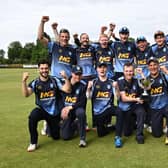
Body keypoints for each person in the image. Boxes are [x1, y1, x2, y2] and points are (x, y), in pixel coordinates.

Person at [22, 60, 71, 152]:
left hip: (54, 112)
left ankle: (53, 125)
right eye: (42, 68)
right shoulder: (35, 82)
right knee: (33, 116)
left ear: (49, 69)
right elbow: (26, 94)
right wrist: (24, 81)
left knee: (56, 137)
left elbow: (67, 90)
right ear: (38, 69)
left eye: (46, 68)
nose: (44, 70)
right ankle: (33, 142)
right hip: (42, 110)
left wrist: (66, 78)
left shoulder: (55, 80)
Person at [114, 62, 145, 148]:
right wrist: (136, 99)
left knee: (141, 111)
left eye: (131, 71)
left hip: (134, 105)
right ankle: (131, 125)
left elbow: (147, 86)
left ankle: (139, 135)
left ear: (133, 72)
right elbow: (124, 98)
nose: (129, 73)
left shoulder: (136, 80)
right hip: (124, 107)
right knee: (127, 133)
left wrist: (142, 74)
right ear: (123, 72)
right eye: (127, 71)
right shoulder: (120, 81)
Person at [86, 62, 116, 137]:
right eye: (100, 67)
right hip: (98, 113)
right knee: (101, 134)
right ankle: (109, 127)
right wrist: (88, 89)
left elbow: (117, 97)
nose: (102, 69)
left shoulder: (111, 82)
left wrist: (117, 88)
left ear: (107, 69)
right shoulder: (93, 82)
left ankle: (122, 127)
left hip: (108, 109)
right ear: (96, 69)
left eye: (104, 67)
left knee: (119, 110)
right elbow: (88, 97)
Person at [60, 65, 87, 147]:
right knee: (65, 136)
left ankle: (82, 139)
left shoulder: (83, 85)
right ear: (72, 73)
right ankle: (75, 124)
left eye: (80, 74)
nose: (78, 76)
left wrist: (70, 107)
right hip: (66, 111)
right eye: (76, 74)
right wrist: (63, 109)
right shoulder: (63, 83)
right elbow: (58, 98)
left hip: (75, 109)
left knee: (81, 113)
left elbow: (82, 102)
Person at [146, 57, 168, 144]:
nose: (153, 67)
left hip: (166, 105)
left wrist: (166, 71)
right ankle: (158, 125)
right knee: (157, 134)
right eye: (150, 65)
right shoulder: (146, 79)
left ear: (158, 65)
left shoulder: (163, 76)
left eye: (155, 65)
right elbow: (144, 95)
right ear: (148, 67)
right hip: (154, 108)